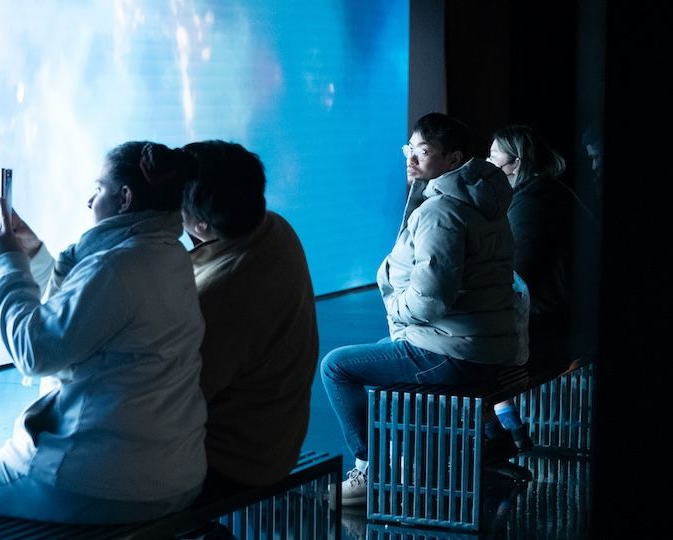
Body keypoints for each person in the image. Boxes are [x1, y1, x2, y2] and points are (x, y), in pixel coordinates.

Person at [0, 141, 208, 528]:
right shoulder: (169, 254)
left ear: (125, 198)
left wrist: (8, 262)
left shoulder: (116, 267)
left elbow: (35, 350)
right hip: (178, 473)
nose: (89, 200)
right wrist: (31, 252)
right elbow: (80, 315)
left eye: (98, 189)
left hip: (108, 483)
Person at [320, 112, 525, 506]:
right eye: (409, 149)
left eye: (424, 151)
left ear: (453, 159)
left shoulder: (442, 212)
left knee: (336, 367)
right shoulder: (484, 201)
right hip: (485, 344)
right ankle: (405, 463)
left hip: (455, 350)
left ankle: (370, 469)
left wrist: (396, 309)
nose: (412, 159)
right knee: (378, 355)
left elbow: (430, 298)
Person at [180, 140, 319, 503]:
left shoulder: (222, 292)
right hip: (277, 441)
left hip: (233, 461)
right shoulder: (275, 228)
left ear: (200, 224)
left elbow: (182, 399)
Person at [487, 124, 600, 448]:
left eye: (494, 156)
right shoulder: (539, 192)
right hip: (565, 312)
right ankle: (506, 429)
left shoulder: (535, 197)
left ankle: (500, 437)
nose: (487, 163)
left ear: (516, 163)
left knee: (474, 344)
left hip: (557, 319)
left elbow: (518, 269)